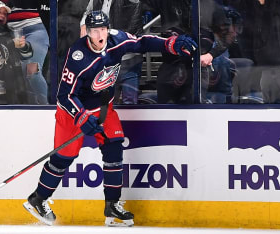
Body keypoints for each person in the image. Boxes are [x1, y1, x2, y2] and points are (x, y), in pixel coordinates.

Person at [23, 10, 197, 226]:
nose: (100, 35)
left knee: (114, 148)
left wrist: (170, 44)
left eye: (103, 29)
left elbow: (142, 42)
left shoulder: (117, 40)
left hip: (104, 108)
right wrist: (82, 118)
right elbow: (65, 96)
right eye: (95, 30)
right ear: (87, 32)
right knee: (64, 158)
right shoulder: (78, 57)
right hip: (73, 113)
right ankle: (38, 199)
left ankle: (112, 206)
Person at [79, 0, 144, 105]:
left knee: (130, 103)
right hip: (107, 60)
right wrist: (83, 25)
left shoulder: (131, 2)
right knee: (107, 103)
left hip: (129, 59)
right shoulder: (96, 1)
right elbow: (88, 12)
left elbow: (134, 17)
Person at [2, 0, 50, 105]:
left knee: (32, 71)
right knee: (18, 74)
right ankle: (30, 110)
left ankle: (46, 109)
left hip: (35, 29)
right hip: (13, 31)